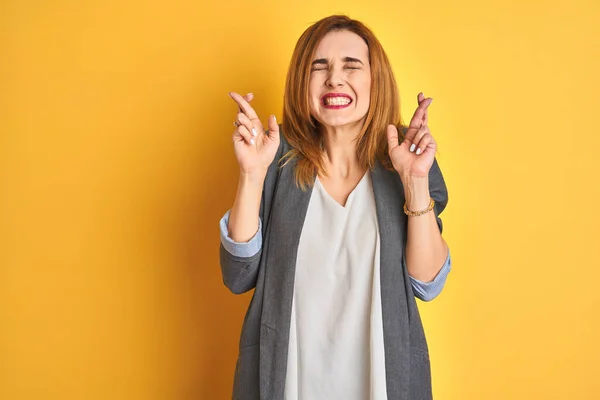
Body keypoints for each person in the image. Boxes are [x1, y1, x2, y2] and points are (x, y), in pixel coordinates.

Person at [219, 14, 452, 400]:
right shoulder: (276, 162)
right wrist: (251, 174)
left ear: (375, 81)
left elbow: (427, 283)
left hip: (381, 381)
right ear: (302, 82)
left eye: (351, 65)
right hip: (290, 382)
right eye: (319, 66)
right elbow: (237, 275)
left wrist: (414, 181)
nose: (334, 79)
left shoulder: (404, 164)